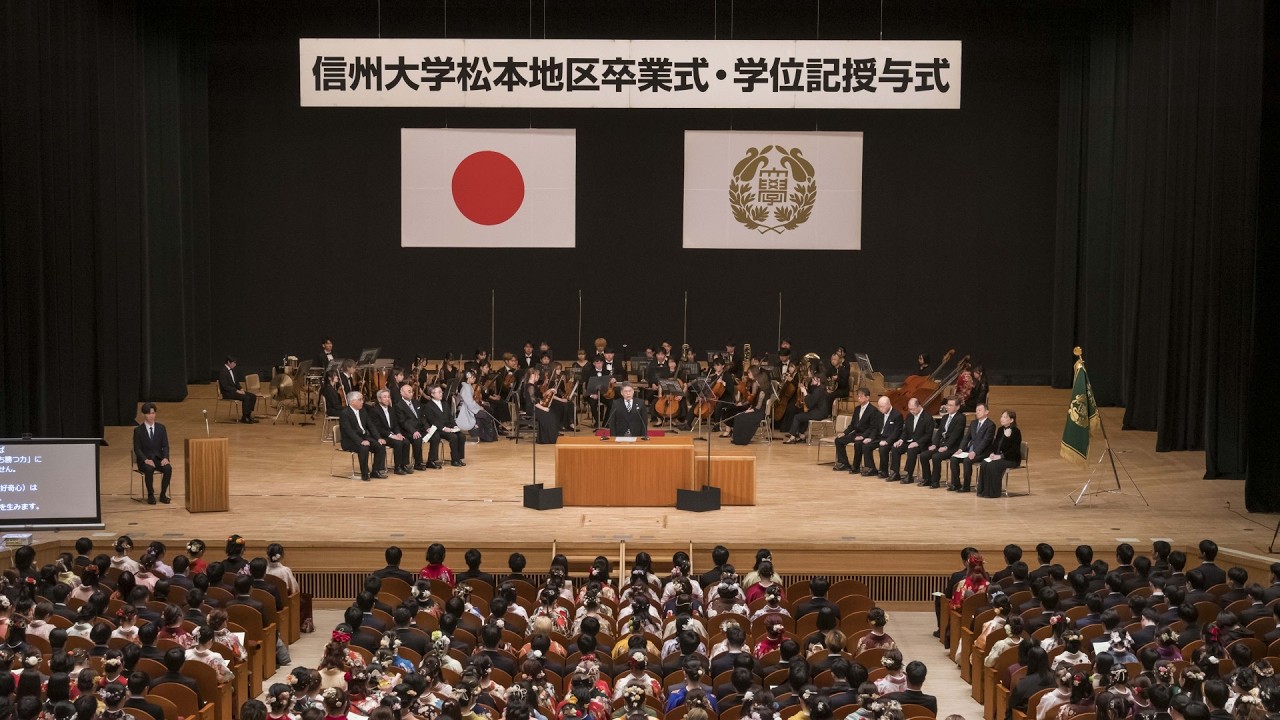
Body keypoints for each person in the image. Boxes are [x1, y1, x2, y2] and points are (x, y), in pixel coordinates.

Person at [919, 397, 966, 488]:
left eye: (951, 405)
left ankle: (935, 481)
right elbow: (939, 433)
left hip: (952, 447)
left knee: (936, 457)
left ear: (957, 407)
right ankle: (927, 479)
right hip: (941, 444)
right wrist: (934, 444)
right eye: (947, 405)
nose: (948, 407)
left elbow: (955, 435)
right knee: (924, 455)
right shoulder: (944, 417)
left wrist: (946, 447)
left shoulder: (960, 418)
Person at [949, 402, 995, 493]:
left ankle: (966, 486)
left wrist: (975, 452)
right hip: (969, 451)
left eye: (980, 410)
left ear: (986, 412)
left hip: (982, 452)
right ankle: (956, 484)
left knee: (967, 461)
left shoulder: (990, 425)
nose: (977, 412)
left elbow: (985, 441)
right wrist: (960, 449)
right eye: (976, 410)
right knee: (953, 458)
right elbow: (966, 438)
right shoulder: (973, 423)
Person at [132, 402, 172, 505]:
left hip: (158, 459)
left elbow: (165, 446)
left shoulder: (161, 428)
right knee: (149, 469)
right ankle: (150, 495)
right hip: (145, 460)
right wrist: (145, 460)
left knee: (168, 468)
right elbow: (137, 449)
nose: (151, 416)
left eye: (153, 413)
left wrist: (165, 457)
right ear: (144, 415)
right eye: (149, 414)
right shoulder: (138, 430)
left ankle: (163, 495)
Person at [340, 392, 385, 481]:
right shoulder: (345, 413)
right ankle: (365, 473)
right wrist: (360, 441)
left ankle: (376, 471)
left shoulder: (363, 411)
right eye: (360, 400)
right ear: (352, 402)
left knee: (380, 445)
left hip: (363, 437)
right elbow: (349, 431)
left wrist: (378, 438)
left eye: (362, 399)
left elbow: (371, 426)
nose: (362, 402)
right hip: (350, 440)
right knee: (363, 448)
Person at [978, 410, 1023, 498]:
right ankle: (983, 490)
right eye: (1001, 417)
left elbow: (1014, 449)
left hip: (1011, 459)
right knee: (985, 463)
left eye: (1005, 417)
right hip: (998, 457)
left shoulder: (1016, 431)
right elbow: (995, 444)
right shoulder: (1000, 430)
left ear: (1011, 420)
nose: (1002, 419)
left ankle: (993, 492)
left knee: (993, 465)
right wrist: (992, 453)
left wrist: (1001, 456)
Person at [723, 368, 773, 446]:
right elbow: (756, 404)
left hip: (759, 413)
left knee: (739, 417)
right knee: (739, 416)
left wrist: (749, 411)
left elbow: (758, 408)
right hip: (759, 411)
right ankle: (738, 438)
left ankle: (740, 440)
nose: (755, 382)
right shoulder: (763, 389)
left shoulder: (762, 392)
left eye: (757, 381)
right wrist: (750, 408)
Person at [890, 397, 935, 483]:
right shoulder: (909, 416)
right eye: (910, 409)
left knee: (911, 450)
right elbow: (905, 431)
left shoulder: (928, 418)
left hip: (922, 444)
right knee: (895, 448)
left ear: (919, 406)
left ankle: (909, 475)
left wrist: (917, 443)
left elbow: (928, 435)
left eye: (913, 409)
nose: (911, 411)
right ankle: (895, 472)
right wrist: (901, 440)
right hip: (909, 441)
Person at [368, 388, 411, 476]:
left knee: (406, 441)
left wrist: (398, 433)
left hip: (391, 434)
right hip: (381, 436)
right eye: (385, 397)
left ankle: (404, 465)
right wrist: (391, 435)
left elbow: (395, 425)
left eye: (388, 397)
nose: (387, 399)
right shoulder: (374, 410)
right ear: (379, 399)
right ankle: (397, 467)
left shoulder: (391, 409)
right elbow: (378, 428)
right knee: (398, 443)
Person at [832, 388, 876, 472]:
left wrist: (863, 436)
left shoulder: (873, 410)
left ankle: (855, 467)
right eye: (858, 396)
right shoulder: (857, 409)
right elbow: (852, 425)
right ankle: (844, 463)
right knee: (838, 440)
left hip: (865, 434)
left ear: (867, 398)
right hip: (856, 433)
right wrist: (844, 433)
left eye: (861, 396)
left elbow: (872, 427)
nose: (859, 398)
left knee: (858, 444)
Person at [424, 385, 467, 467]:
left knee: (461, 436)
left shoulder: (445, 403)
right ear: (432, 394)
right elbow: (432, 420)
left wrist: (454, 426)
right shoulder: (428, 406)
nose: (441, 393)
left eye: (441, 392)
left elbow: (450, 417)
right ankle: (454, 460)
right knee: (453, 437)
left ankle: (458, 458)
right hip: (438, 429)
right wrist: (444, 428)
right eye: (439, 392)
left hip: (449, 427)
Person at [783, 372, 831, 444]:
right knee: (804, 415)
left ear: (818, 380)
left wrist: (805, 392)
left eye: (814, 379)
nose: (812, 380)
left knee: (797, 417)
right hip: (823, 412)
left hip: (819, 413)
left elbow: (810, 404)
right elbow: (813, 399)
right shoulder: (822, 388)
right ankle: (802, 436)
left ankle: (792, 437)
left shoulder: (819, 390)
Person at [862, 395, 903, 479]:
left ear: (888, 404)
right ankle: (871, 468)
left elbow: (896, 432)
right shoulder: (879, 414)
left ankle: (883, 471)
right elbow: (875, 428)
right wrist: (871, 438)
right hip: (879, 437)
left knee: (883, 449)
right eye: (879, 406)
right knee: (866, 446)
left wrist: (887, 441)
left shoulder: (897, 415)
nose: (880, 408)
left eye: (882, 406)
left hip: (890, 439)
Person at [395, 383, 432, 471]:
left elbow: (422, 417)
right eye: (409, 391)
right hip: (408, 430)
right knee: (417, 438)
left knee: (435, 435)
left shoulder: (416, 402)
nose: (412, 393)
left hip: (420, 428)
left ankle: (432, 460)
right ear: (402, 393)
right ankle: (418, 462)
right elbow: (403, 422)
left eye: (412, 391)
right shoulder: (399, 405)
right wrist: (413, 431)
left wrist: (427, 427)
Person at [456, 369, 500, 442]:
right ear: (468, 378)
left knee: (485, 414)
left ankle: (486, 436)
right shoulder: (466, 388)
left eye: (474, 377)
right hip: (466, 410)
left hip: (469, 408)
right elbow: (469, 403)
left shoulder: (468, 386)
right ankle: (487, 437)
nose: (474, 379)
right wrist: (479, 408)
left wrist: (479, 407)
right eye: (473, 377)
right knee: (485, 415)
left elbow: (471, 401)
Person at [218, 355, 258, 423]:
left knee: (253, 396)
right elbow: (225, 386)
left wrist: (241, 388)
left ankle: (248, 415)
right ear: (228, 362)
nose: (235, 364)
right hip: (227, 393)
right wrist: (237, 391)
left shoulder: (233, 370)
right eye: (234, 363)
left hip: (234, 391)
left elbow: (236, 382)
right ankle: (244, 417)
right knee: (246, 398)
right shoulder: (223, 372)